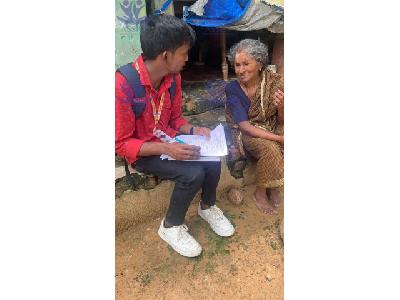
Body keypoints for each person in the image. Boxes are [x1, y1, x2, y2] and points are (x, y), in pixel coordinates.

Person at [115, 14, 234, 258]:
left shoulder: (172, 79)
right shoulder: (122, 85)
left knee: (210, 158)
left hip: (169, 141)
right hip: (144, 150)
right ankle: (170, 226)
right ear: (166, 56)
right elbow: (122, 144)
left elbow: (175, 120)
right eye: (184, 52)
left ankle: (207, 206)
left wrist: (193, 131)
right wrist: (166, 149)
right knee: (193, 173)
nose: (187, 58)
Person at [225, 39, 284, 215]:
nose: (240, 70)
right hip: (247, 132)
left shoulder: (274, 82)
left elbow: (281, 120)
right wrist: (279, 138)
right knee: (271, 149)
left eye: (246, 64)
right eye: (237, 65)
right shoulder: (233, 89)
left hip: (271, 125)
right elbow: (245, 127)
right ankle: (260, 193)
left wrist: (281, 107)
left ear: (259, 64)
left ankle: (274, 185)